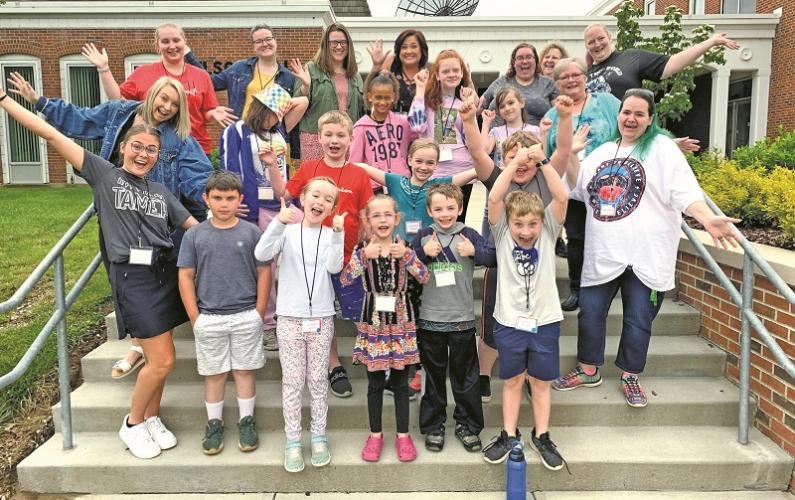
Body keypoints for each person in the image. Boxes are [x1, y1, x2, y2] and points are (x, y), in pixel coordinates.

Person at [0, 90, 199, 459]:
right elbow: (52, 136)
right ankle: (133, 423)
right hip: (133, 279)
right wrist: (4, 101)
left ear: (158, 157)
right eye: (136, 147)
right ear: (123, 148)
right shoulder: (104, 175)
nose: (143, 154)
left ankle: (152, 417)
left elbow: (196, 229)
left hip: (165, 275)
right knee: (163, 360)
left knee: (162, 358)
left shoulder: (160, 191)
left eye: (151, 150)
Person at [8, 73, 214, 379]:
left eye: (175, 104)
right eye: (164, 98)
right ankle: (139, 345)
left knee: (150, 284)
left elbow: (197, 175)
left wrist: (215, 202)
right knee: (123, 280)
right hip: (115, 214)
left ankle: (144, 346)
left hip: (153, 222)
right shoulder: (119, 113)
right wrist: (39, 102)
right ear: (152, 94)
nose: (168, 107)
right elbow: (79, 121)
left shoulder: (177, 138)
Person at [553, 88, 741, 407]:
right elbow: (578, 187)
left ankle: (630, 375)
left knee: (639, 318)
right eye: (627, 112)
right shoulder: (602, 152)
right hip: (604, 253)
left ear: (650, 119)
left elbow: (684, 191)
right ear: (619, 114)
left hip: (646, 255)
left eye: (640, 114)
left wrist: (707, 218)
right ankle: (588, 369)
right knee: (590, 314)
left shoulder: (662, 149)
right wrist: (571, 155)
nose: (631, 118)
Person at [475, 92, 574, 470]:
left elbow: (561, 196)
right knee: (513, 379)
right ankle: (509, 434)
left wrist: (541, 157)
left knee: (542, 382)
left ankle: (542, 435)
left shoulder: (548, 228)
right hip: (510, 320)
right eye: (521, 224)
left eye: (531, 223)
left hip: (545, 319)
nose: (527, 230)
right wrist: (515, 160)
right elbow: (497, 195)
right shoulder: (501, 232)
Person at [272, 110, 374, 399]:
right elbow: (284, 192)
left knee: (359, 313)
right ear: (319, 138)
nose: (334, 140)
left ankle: (374, 358)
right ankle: (333, 365)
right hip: (312, 262)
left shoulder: (359, 174)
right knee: (323, 316)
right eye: (328, 134)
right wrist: (272, 168)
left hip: (347, 260)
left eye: (341, 135)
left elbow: (365, 215)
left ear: (351, 139)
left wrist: (366, 251)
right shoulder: (308, 169)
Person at [255, 177, 345, 473]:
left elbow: (335, 266)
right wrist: (278, 223)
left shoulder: (331, 233)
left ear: (333, 206)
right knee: (293, 382)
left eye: (328, 199)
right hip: (291, 318)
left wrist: (339, 235)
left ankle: (318, 435)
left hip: (321, 317)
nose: (321, 202)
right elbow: (261, 253)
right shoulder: (288, 232)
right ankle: (293, 440)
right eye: (315, 195)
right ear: (303, 198)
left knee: (318, 381)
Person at [176, 171, 268, 455]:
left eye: (230, 198)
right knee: (214, 373)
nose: (224, 204)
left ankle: (246, 420)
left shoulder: (252, 232)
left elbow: (265, 271)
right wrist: (195, 319)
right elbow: (185, 276)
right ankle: (214, 424)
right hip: (210, 317)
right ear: (207, 199)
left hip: (245, 314)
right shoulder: (194, 235)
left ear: (240, 198)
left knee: (243, 370)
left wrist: (259, 312)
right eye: (218, 198)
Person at [340, 195, 430, 463]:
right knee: (375, 383)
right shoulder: (363, 251)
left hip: (401, 323)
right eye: (376, 215)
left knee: (402, 384)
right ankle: (375, 435)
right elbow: (346, 278)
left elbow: (424, 276)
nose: (382, 220)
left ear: (396, 219)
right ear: (368, 220)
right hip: (374, 324)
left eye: (387, 215)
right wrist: (361, 258)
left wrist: (408, 257)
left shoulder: (404, 249)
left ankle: (403, 435)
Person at [219, 85, 308, 350]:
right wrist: (234, 201)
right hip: (256, 207)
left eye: (280, 112)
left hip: (283, 202)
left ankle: (298, 313)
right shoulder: (237, 130)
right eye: (273, 111)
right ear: (262, 109)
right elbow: (228, 166)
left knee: (303, 252)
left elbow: (302, 102)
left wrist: (280, 101)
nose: (278, 117)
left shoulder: (278, 129)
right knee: (265, 267)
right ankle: (269, 324)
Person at [412, 183, 495, 454]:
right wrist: (425, 254)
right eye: (438, 208)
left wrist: (476, 252)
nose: (445, 213)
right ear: (429, 210)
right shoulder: (424, 236)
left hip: (461, 319)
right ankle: (434, 425)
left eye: (450, 208)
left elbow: (493, 257)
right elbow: (407, 266)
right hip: (430, 320)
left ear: (460, 208)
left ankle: (467, 425)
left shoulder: (469, 234)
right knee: (434, 378)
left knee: (466, 378)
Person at [81, 23, 236, 155]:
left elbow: (205, 113)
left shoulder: (201, 75)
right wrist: (104, 69)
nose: (172, 46)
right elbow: (117, 100)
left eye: (176, 40)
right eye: (165, 41)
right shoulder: (143, 73)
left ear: (184, 42)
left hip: (195, 150)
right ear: (157, 45)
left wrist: (213, 113)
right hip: (153, 149)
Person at [544, 57, 622, 313]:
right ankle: (577, 288)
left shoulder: (607, 103)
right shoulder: (552, 114)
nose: (571, 80)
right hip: (571, 187)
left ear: (585, 76)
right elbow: (547, 151)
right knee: (576, 238)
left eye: (575, 74)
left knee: (607, 236)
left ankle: (606, 287)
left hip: (607, 185)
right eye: (564, 77)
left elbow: (635, 128)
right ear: (557, 83)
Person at [184, 23, 300, 167]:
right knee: (237, 181)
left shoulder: (289, 77)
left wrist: (306, 85)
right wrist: (188, 55)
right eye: (258, 41)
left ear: (275, 41)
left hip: (273, 139)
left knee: (272, 183)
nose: (264, 44)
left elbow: (298, 108)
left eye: (268, 39)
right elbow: (210, 82)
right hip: (240, 136)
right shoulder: (239, 69)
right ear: (253, 46)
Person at [584, 23, 740, 100]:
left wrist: (709, 42)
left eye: (601, 38)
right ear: (586, 46)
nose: (597, 44)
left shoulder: (631, 58)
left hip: (626, 137)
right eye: (591, 42)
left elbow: (673, 63)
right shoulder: (583, 74)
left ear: (610, 38)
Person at [408, 50, 475, 221]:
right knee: (430, 221)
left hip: (462, 171)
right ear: (437, 75)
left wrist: (471, 99)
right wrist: (420, 89)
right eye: (446, 71)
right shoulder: (426, 101)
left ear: (462, 73)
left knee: (457, 222)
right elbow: (416, 125)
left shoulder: (463, 103)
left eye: (456, 70)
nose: (451, 74)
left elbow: (471, 140)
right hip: (432, 171)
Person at [289, 23, 364, 161]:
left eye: (343, 42)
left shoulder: (355, 76)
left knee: (343, 181)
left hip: (346, 139)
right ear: (326, 45)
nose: (339, 46)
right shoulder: (310, 69)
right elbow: (296, 106)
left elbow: (362, 111)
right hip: (315, 138)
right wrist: (305, 87)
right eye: (334, 42)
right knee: (317, 181)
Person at [350, 72, 417, 193]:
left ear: (394, 96)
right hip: (375, 188)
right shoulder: (360, 127)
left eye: (387, 97)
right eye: (378, 97)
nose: (382, 102)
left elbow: (420, 132)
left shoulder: (403, 123)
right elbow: (355, 163)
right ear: (370, 96)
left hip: (402, 183)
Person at [479, 43, 559, 128]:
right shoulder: (500, 82)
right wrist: (469, 84)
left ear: (535, 60)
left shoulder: (548, 83)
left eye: (528, 57)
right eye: (520, 58)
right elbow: (478, 107)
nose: (524, 61)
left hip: (536, 138)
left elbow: (560, 112)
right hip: (498, 138)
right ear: (514, 63)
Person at [365, 30, 430, 114]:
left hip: (419, 125)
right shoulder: (391, 64)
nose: (409, 51)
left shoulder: (429, 74)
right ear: (398, 50)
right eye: (404, 47)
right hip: (391, 125)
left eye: (414, 46)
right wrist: (376, 66)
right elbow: (371, 92)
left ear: (422, 49)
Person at [480, 86, 541, 168]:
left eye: (511, 103)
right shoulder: (496, 132)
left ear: (521, 103)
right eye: (502, 106)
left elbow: (542, 157)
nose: (507, 108)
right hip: (502, 177)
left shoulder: (535, 130)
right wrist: (486, 123)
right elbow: (484, 151)